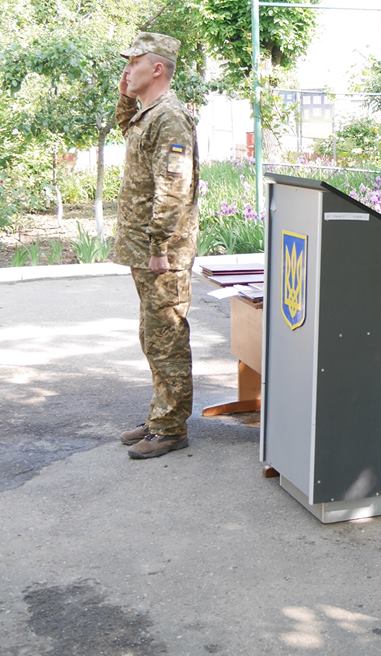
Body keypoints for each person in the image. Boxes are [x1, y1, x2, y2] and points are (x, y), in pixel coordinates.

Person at [113, 33, 199, 460]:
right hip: (143, 248)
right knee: (152, 335)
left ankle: (171, 427)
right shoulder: (147, 113)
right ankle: (159, 414)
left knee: (166, 338)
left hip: (162, 253)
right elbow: (121, 117)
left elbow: (174, 186)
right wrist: (126, 84)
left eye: (134, 62)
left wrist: (160, 245)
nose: (126, 70)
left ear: (158, 68)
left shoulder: (170, 117)